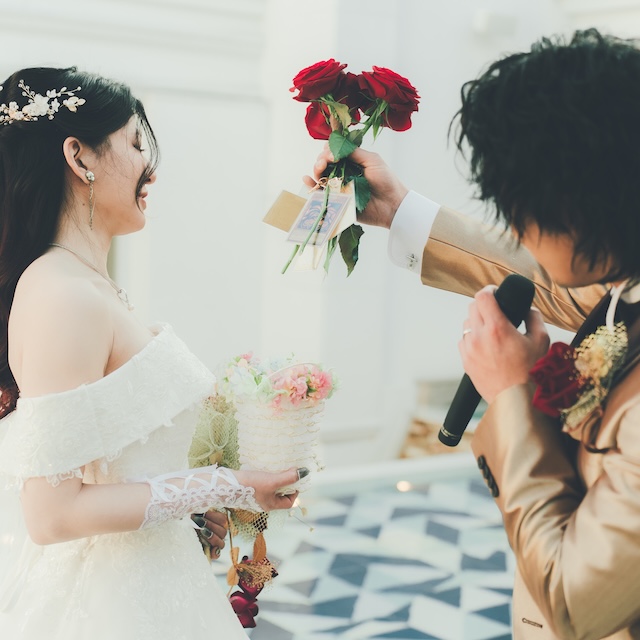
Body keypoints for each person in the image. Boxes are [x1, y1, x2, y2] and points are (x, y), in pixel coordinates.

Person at [307, 29, 640, 639]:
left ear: (580, 202)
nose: (514, 226)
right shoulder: (624, 271)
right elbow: (557, 282)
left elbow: (574, 603)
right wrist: (399, 210)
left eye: (517, 204)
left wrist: (513, 392)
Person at [0, 66, 303, 639]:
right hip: (109, 607)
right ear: (79, 157)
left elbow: (112, 464)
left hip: (156, 583)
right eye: (136, 144)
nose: (152, 169)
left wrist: (188, 504)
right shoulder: (60, 292)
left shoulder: (89, 283)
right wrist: (228, 484)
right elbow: (52, 514)